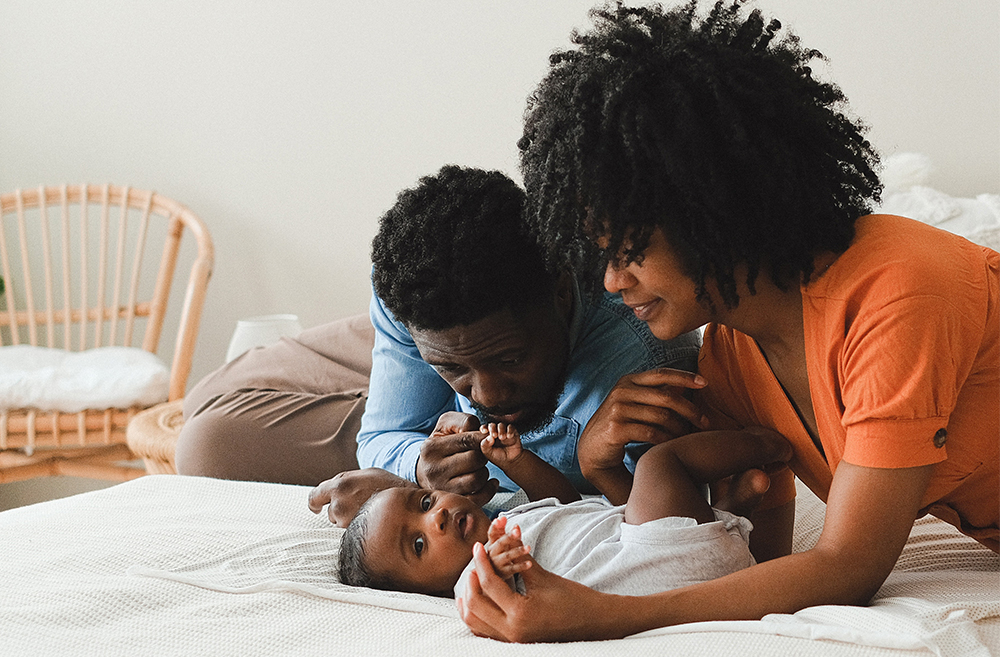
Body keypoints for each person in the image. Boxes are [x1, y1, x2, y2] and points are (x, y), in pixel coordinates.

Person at [456, 0, 999, 643]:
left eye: (629, 251)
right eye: (598, 256)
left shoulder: (897, 291)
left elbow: (850, 567)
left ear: (712, 208)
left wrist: (601, 618)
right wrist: (602, 468)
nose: (611, 281)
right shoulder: (733, 359)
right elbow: (744, 565)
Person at [178, 166, 703, 504]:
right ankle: (437, 380)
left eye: (511, 360)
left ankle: (432, 394)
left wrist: (598, 465)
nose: (489, 396)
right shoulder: (412, 298)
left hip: (470, 344)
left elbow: (661, 525)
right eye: (457, 371)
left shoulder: (643, 358)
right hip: (422, 342)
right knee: (200, 397)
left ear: (562, 293)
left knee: (205, 443)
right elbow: (388, 435)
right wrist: (416, 462)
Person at [336, 418, 790, 601]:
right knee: (660, 464)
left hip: (659, 546)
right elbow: (491, 595)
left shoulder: (508, 519)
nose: (433, 518)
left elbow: (564, 504)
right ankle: (769, 437)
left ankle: (728, 515)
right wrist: (492, 569)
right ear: (421, 593)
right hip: (653, 558)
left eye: (424, 501)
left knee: (662, 494)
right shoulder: (474, 583)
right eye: (417, 544)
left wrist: (518, 462)